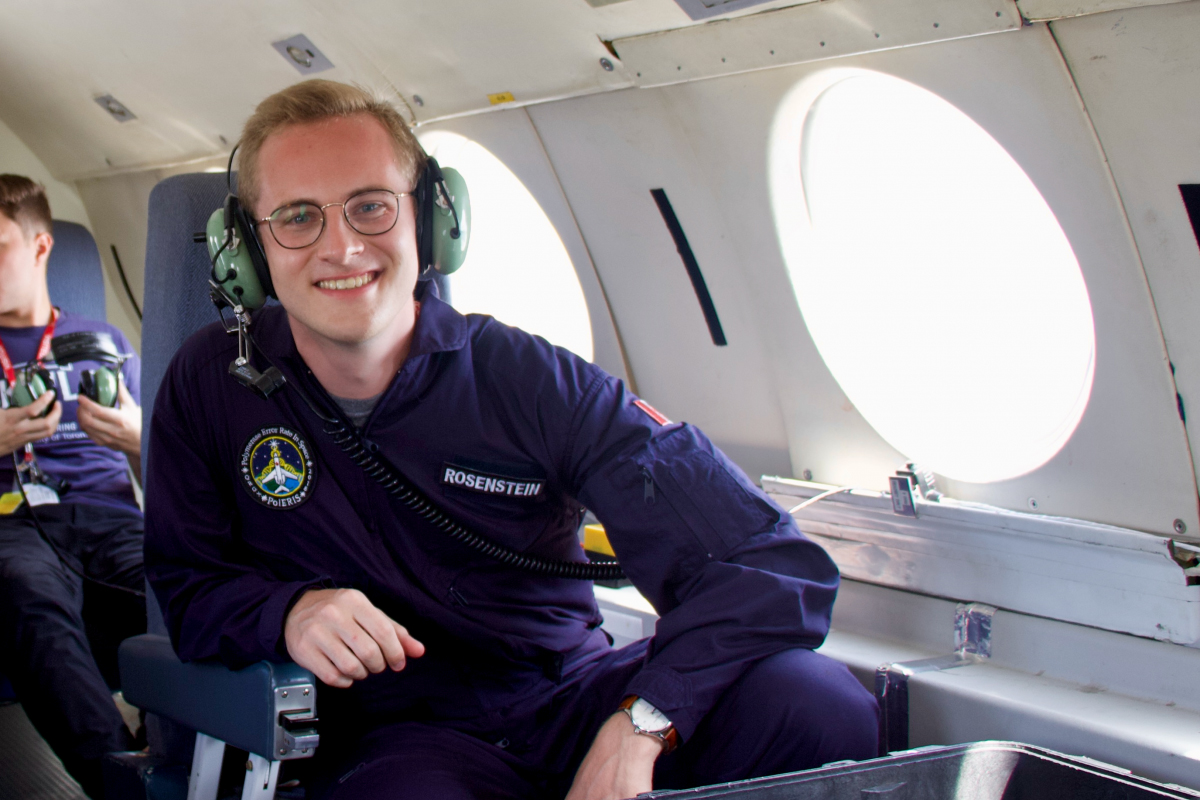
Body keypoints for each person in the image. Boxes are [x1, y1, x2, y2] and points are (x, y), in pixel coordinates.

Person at [145, 80, 877, 800]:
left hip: (573, 699)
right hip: (401, 740)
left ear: (432, 221)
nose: (341, 246)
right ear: (245, 249)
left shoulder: (529, 379)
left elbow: (769, 562)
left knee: (814, 704)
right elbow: (188, 585)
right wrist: (289, 612)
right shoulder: (211, 385)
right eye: (298, 217)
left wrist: (643, 723)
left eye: (370, 206)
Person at [0, 174, 145, 799]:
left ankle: (182, 748)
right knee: (26, 593)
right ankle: (121, 785)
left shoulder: (107, 342)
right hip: (13, 527)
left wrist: (138, 439)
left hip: (111, 516)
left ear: (40, 246)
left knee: (179, 582)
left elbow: (166, 476)